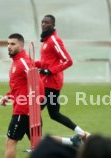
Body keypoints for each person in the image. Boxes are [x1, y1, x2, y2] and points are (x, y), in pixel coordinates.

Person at [0, 33, 44, 158]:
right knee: (38, 145)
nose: (9, 46)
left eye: (13, 44)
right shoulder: (16, 62)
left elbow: (38, 83)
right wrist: (8, 96)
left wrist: (34, 104)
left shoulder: (23, 62)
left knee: (10, 141)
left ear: (21, 45)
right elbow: (19, 87)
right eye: (8, 44)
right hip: (26, 109)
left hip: (24, 110)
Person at [35, 14, 90, 145]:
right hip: (46, 83)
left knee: (34, 111)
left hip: (51, 83)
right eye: (42, 22)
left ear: (53, 25)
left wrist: (50, 71)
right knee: (54, 114)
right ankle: (83, 135)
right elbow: (45, 62)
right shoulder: (46, 41)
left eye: (47, 22)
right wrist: (33, 63)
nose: (43, 24)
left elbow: (68, 61)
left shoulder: (54, 40)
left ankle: (37, 144)